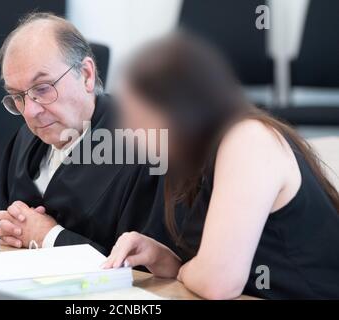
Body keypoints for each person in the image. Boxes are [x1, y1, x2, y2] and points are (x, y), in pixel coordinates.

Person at [103, 31, 339, 299]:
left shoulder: (248, 139)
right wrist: (164, 259)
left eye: (140, 119)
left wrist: (190, 272)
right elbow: (213, 269)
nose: (133, 133)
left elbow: (218, 282)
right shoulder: (195, 159)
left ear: (178, 109)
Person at [0, 12, 172, 255]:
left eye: (43, 89)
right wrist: (7, 230)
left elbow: (145, 267)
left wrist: (49, 237)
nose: (31, 111)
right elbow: (4, 224)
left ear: (86, 75)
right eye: (17, 96)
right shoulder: (24, 141)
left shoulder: (144, 149)